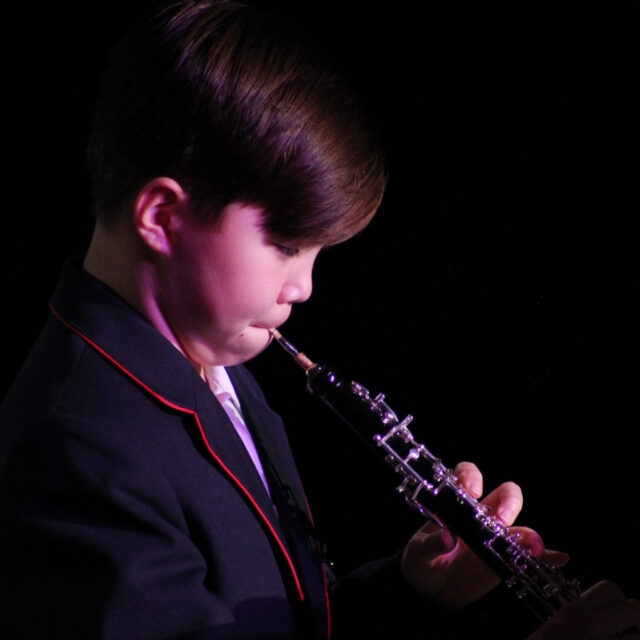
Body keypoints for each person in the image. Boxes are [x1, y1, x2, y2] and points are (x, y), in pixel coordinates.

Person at [1, 1, 637, 638]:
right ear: (163, 217)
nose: (304, 286)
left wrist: (409, 590)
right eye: (286, 245)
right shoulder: (75, 449)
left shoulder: (216, 367)